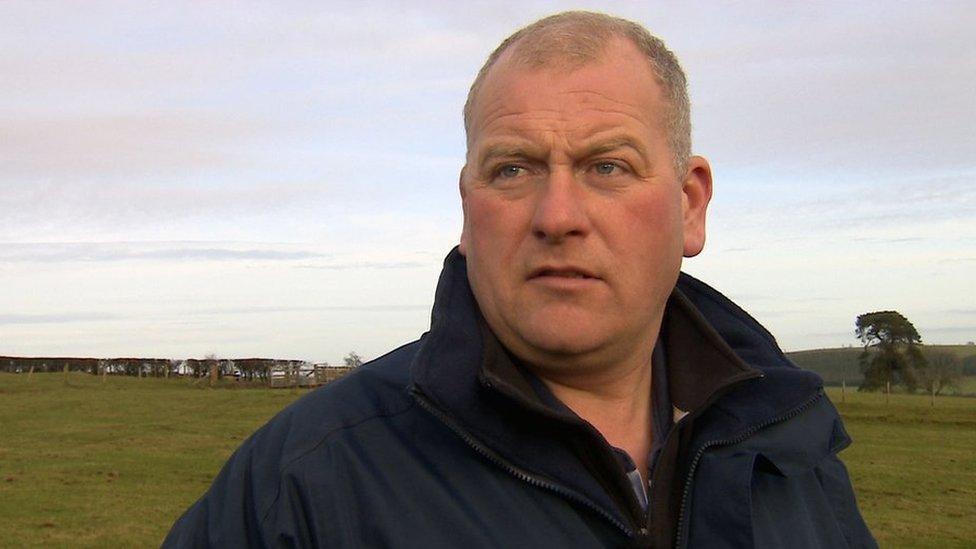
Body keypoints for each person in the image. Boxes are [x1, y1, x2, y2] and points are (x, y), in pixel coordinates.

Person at [164, 11, 875, 548]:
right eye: (513, 169)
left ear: (689, 205)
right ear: (468, 211)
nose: (557, 215)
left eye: (608, 166)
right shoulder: (304, 485)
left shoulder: (789, 448)